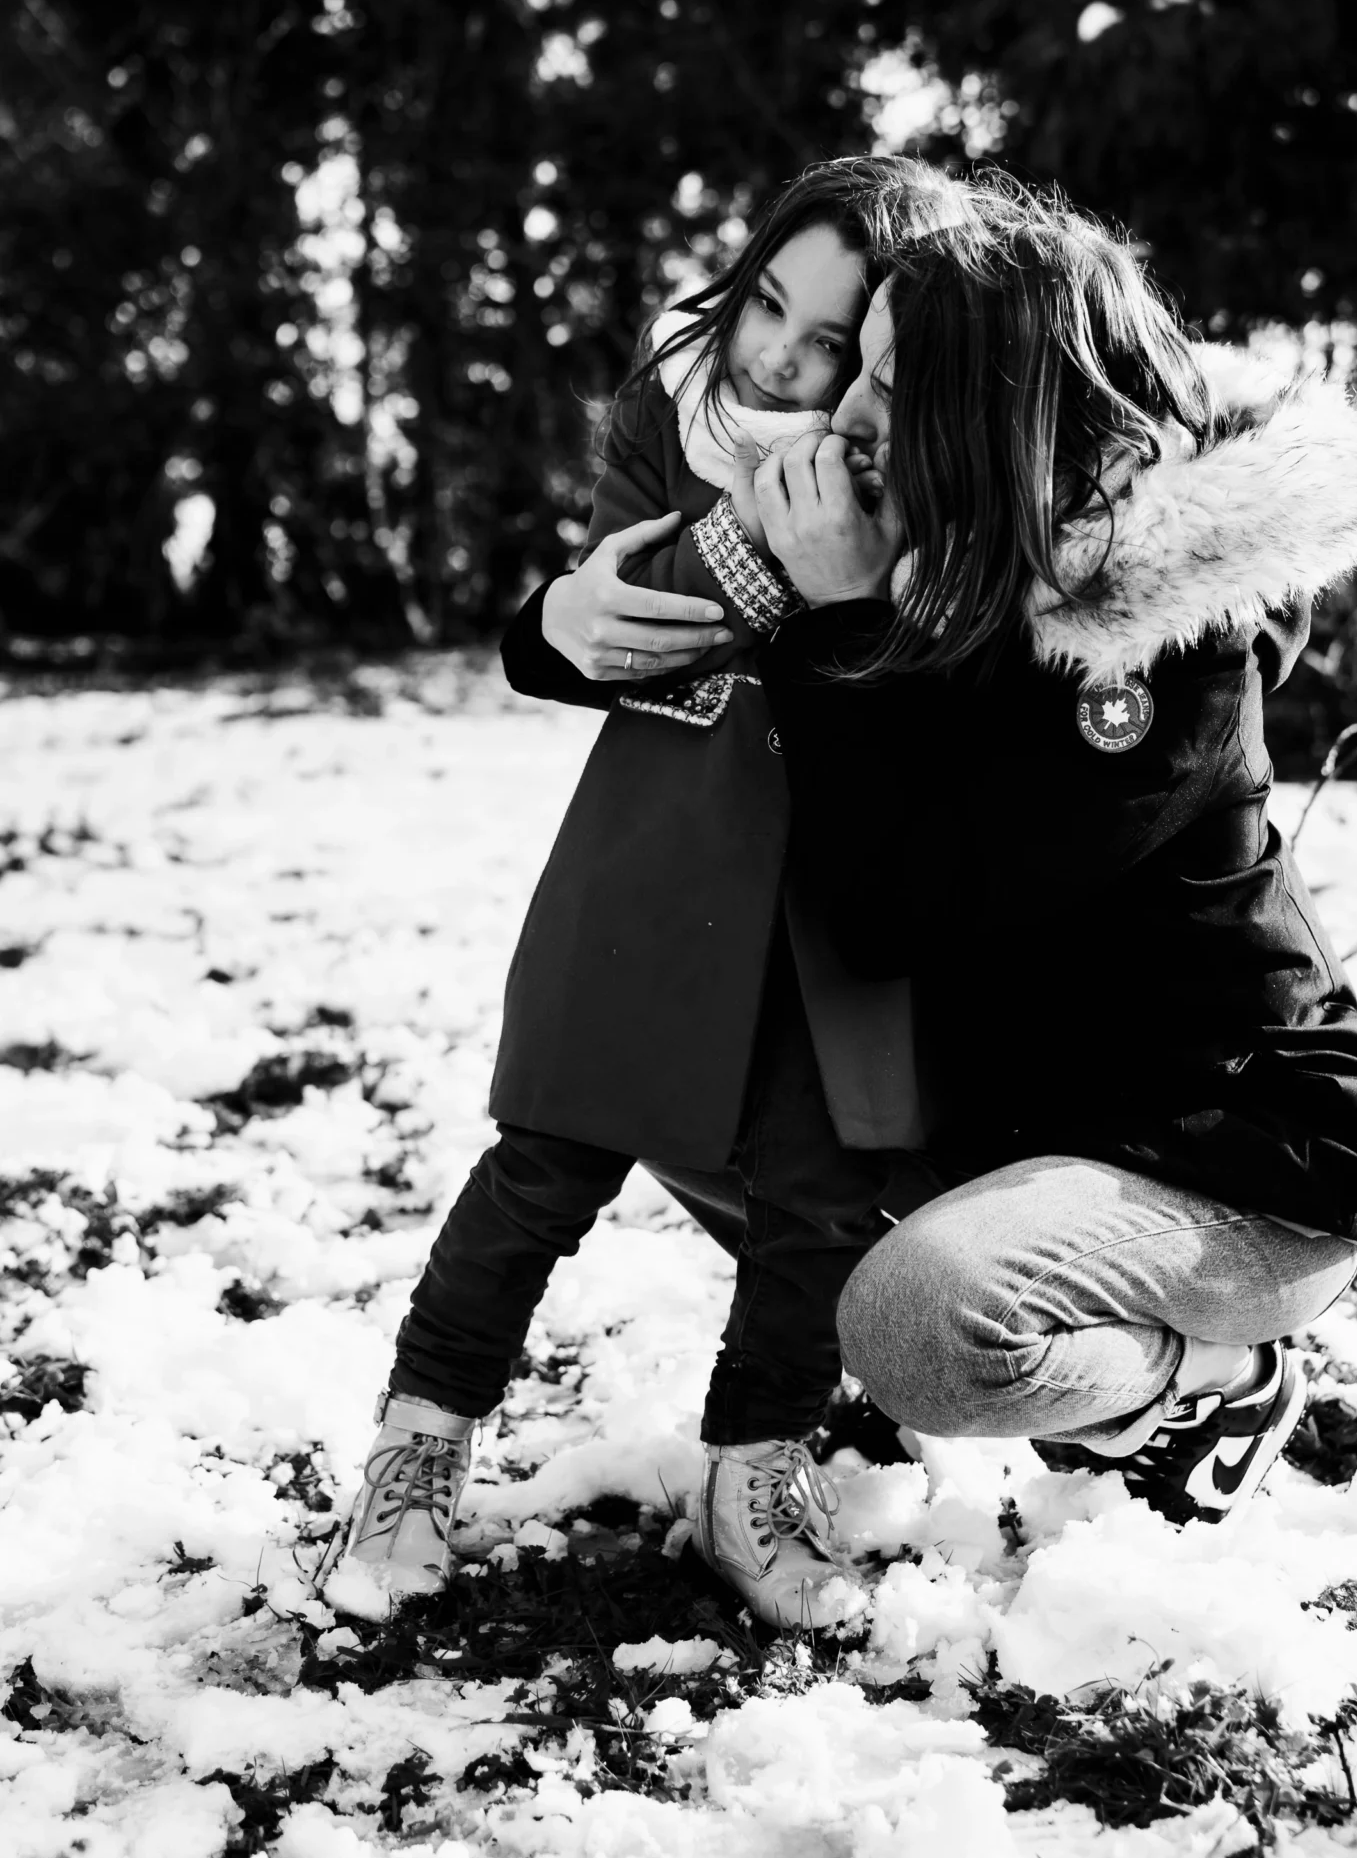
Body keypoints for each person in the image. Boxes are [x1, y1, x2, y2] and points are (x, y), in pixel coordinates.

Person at [331, 156, 980, 1622]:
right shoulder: (669, 415)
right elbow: (636, 609)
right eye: (769, 305)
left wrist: (847, 563)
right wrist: (590, 608)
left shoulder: (936, 460)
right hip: (662, 848)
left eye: (834, 342)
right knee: (542, 1166)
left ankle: (751, 1475)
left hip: (838, 887)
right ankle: (420, 1447)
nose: (782, 356)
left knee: (820, 1205)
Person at [743, 196, 1357, 1524]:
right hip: (1044, 1140)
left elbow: (893, 907)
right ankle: (1054, 1325)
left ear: (993, 413)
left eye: (893, 377)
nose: (850, 413)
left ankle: (1210, 1376)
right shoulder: (983, 580)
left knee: (915, 1328)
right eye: (858, 365)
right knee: (701, 1095)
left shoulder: (1147, 660)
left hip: (1242, 1176)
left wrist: (833, 626)